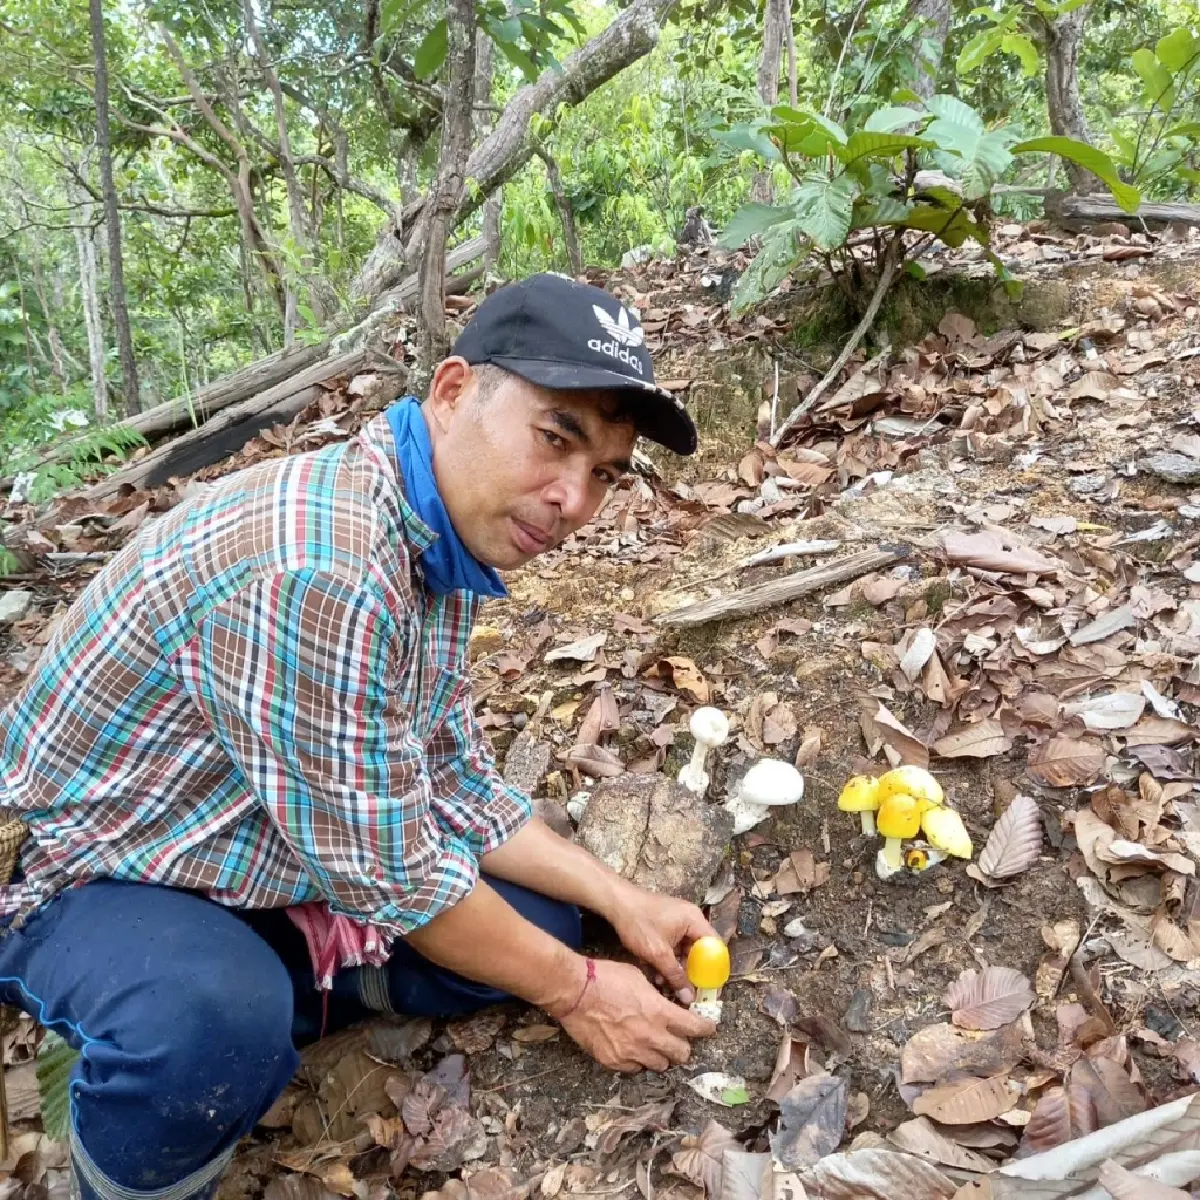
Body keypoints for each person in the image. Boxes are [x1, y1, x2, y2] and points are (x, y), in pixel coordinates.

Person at [0, 275, 718, 1200]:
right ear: (454, 392)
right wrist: (576, 992)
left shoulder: (437, 534)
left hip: (257, 841)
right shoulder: (323, 564)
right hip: (91, 872)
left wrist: (621, 900)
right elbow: (395, 870)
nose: (573, 499)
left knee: (545, 922)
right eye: (557, 438)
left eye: (605, 475)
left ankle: (281, 982)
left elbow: (454, 782)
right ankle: (139, 1131)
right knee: (210, 1027)